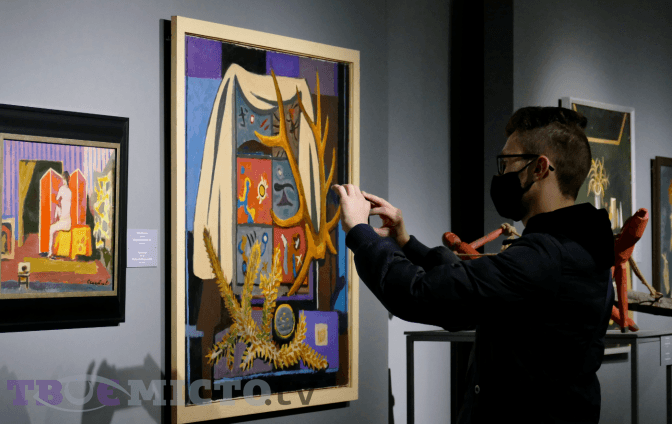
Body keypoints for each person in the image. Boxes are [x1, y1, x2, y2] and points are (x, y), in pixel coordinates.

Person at [333, 107, 615, 424]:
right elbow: (475, 284)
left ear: (538, 168)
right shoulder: (581, 249)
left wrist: (360, 232)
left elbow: (421, 295)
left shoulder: (544, 257)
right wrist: (405, 242)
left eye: (507, 163)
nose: (500, 175)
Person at [48, 171, 72, 258]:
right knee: (58, 209)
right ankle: (50, 252)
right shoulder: (70, 191)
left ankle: (50, 253)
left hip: (64, 221)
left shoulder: (62, 189)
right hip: (68, 221)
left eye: (63, 179)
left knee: (51, 229)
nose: (63, 181)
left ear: (65, 179)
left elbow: (57, 198)